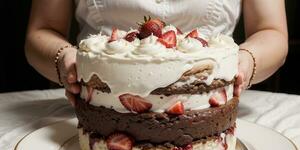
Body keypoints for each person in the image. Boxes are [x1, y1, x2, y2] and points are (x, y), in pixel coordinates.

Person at [25, 0, 288, 106]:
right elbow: (42, 30)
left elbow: (271, 31)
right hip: (96, 109)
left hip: (211, 110)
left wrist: (243, 64)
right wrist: (67, 61)